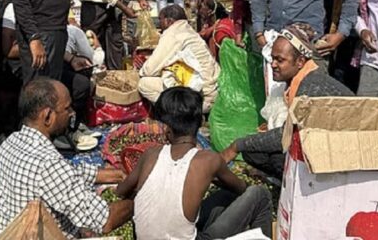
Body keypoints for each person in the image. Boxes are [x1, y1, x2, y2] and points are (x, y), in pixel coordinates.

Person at [117, 87, 273, 240]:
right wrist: (214, 174)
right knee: (259, 194)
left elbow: (121, 191)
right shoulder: (209, 160)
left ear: (166, 129)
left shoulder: (150, 155)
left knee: (224, 197)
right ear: (200, 122)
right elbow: (241, 188)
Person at [0, 78, 133, 237]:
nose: (72, 113)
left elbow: (67, 173)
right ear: (48, 116)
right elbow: (105, 220)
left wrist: (116, 175)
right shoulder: (48, 164)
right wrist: (141, 197)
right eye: (67, 108)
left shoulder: (10, 142)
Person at [220, 24, 354, 178]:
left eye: (280, 60)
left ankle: (300, 187)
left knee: (276, 158)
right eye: (272, 58)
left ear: (300, 62)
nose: (273, 64)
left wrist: (237, 145)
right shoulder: (300, 80)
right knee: (254, 152)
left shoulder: (310, 88)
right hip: (327, 146)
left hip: (341, 153)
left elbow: (285, 136)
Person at [138, 5, 220, 112]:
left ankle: (178, 114)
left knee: (144, 84)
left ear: (169, 21)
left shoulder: (173, 33)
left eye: (161, 20)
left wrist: (141, 71)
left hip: (202, 98)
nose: (160, 24)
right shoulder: (189, 30)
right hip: (214, 92)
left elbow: (149, 70)